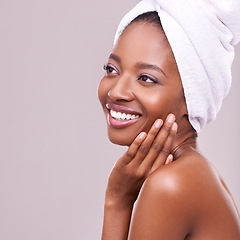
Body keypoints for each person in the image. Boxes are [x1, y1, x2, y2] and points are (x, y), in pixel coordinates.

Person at [98, 1, 240, 239]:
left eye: (146, 78)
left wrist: (117, 201)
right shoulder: (193, 172)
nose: (116, 92)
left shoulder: (171, 183)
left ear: (192, 96)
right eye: (112, 69)